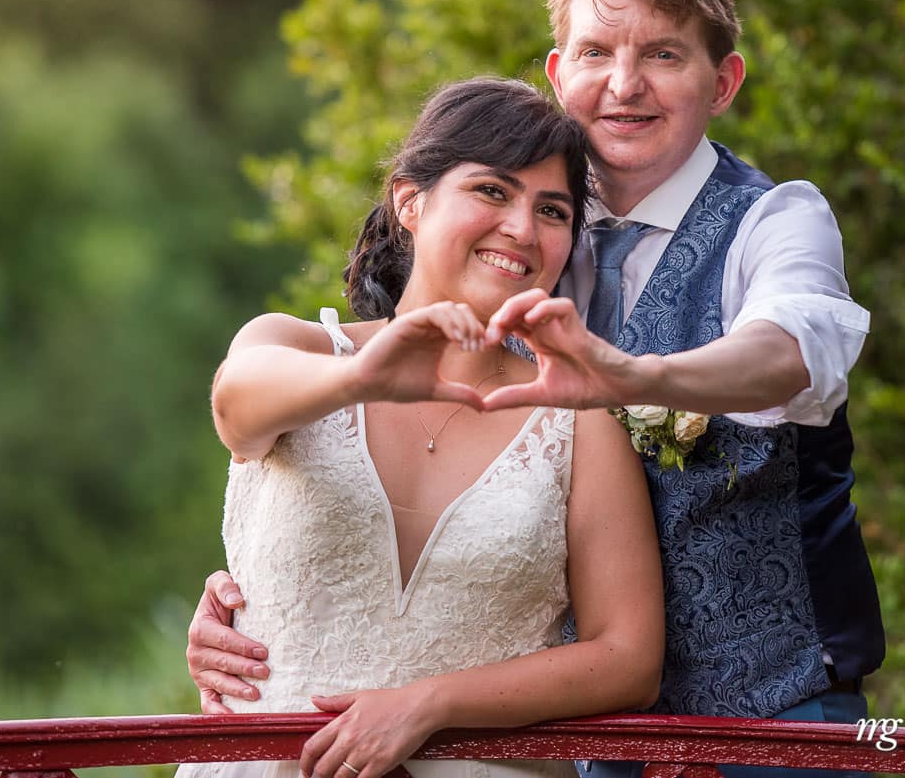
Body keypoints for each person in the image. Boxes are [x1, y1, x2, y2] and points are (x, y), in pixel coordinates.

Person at [188, 0, 882, 777]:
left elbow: (790, 353)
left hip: (773, 718)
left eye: (663, 54)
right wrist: (262, 590)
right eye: (596, 52)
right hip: (580, 745)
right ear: (560, 74)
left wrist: (635, 375)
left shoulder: (774, 221)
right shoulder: (533, 239)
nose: (624, 83)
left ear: (723, 81)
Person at [178, 76, 664, 778]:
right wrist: (362, 377)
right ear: (410, 200)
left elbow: (628, 659)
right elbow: (234, 407)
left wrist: (429, 704)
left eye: (551, 210)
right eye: (492, 191)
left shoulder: (580, 425)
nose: (522, 229)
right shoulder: (296, 348)